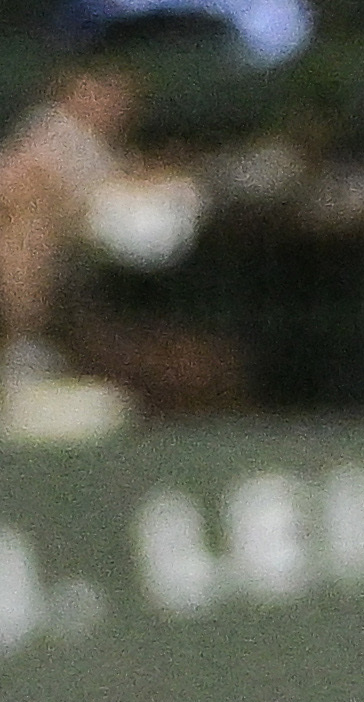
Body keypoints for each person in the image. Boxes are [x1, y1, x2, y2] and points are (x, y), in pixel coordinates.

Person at [0, 51, 241, 436]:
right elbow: (147, 236)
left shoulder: (92, 151)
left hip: (75, 329)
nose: (117, 100)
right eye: (103, 86)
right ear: (70, 88)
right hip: (36, 346)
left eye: (123, 88)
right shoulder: (39, 159)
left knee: (206, 366)